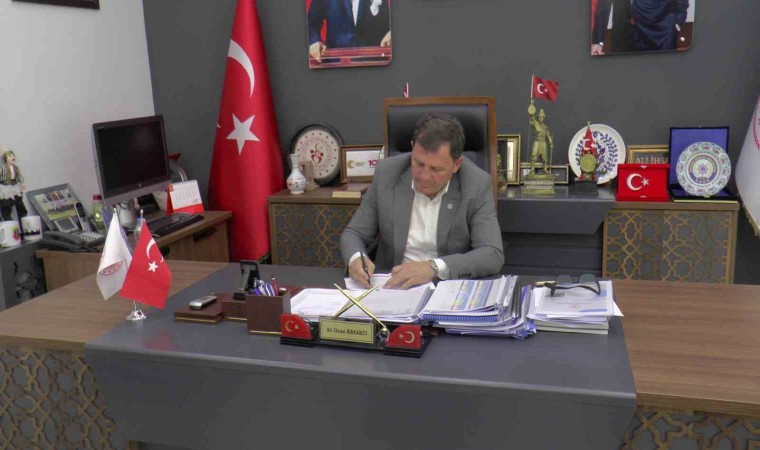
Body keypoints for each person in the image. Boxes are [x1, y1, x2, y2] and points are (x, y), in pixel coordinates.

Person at [340, 113, 504, 290]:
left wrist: (432, 268)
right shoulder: (387, 173)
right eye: (419, 164)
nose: (424, 176)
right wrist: (356, 258)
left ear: (456, 164)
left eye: (436, 169)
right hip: (394, 289)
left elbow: (492, 254)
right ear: (412, 148)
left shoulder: (476, 184)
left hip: (447, 288)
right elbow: (354, 233)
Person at [591, 0, 689, 55]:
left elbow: (682, 3)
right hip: (623, 35)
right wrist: (598, 41)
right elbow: (604, 4)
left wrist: (677, 22)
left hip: (660, 34)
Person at [308, 0, 392, 63]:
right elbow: (311, 22)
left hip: (373, 62)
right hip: (336, 63)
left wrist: (391, 33)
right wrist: (314, 41)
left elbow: (387, 21)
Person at [0, 149, 28, 221]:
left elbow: (19, 176)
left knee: (19, 203)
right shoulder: (2, 167)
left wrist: (21, 183)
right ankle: (8, 221)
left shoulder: (15, 167)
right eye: (10, 156)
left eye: (13, 156)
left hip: (14, 186)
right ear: (5, 158)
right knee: (6, 205)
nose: (13, 157)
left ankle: (23, 218)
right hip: (5, 186)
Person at [529, 108, 553, 174]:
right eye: (540, 117)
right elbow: (532, 119)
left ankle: (545, 169)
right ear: (538, 117)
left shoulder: (545, 127)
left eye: (542, 117)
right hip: (537, 141)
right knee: (534, 154)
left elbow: (548, 135)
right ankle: (532, 169)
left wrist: (550, 142)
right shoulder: (535, 124)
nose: (541, 118)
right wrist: (531, 113)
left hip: (543, 142)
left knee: (544, 156)